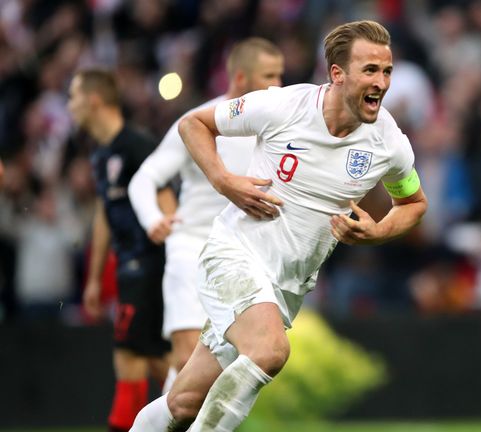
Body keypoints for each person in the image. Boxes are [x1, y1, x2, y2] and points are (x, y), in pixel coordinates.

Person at [131, 20, 428, 431]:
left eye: (387, 71)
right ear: (338, 74)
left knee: (183, 403)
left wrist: (378, 231)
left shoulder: (388, 143)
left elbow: (412, 202)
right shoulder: (283, 106)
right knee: (270, 350)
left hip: (285, 288)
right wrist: (224, 180)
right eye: (370, 70)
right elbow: (193, 125)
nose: (382, 82)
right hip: (233, 255)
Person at [128, 38, 284, 392]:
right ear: (241, 78)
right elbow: (145, 178)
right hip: (192, 247)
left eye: (281, 75)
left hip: (241, 258)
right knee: (186, 358)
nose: (278, 85)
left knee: (212, 369)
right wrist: (154, 218)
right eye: (269, 75)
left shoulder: (278, 127)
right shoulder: (199, 122)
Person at [67, 69, 172, 432]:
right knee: (154, 356)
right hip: (128, 267)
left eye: (74, 96)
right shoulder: (101, 155)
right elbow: (104, 217)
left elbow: (166, 200)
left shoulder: (136, 145)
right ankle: (199, 414)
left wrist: (174, 263)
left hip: (152, 264)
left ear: (94, 100)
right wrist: (94, 278)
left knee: (132, 351)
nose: (70, 105)